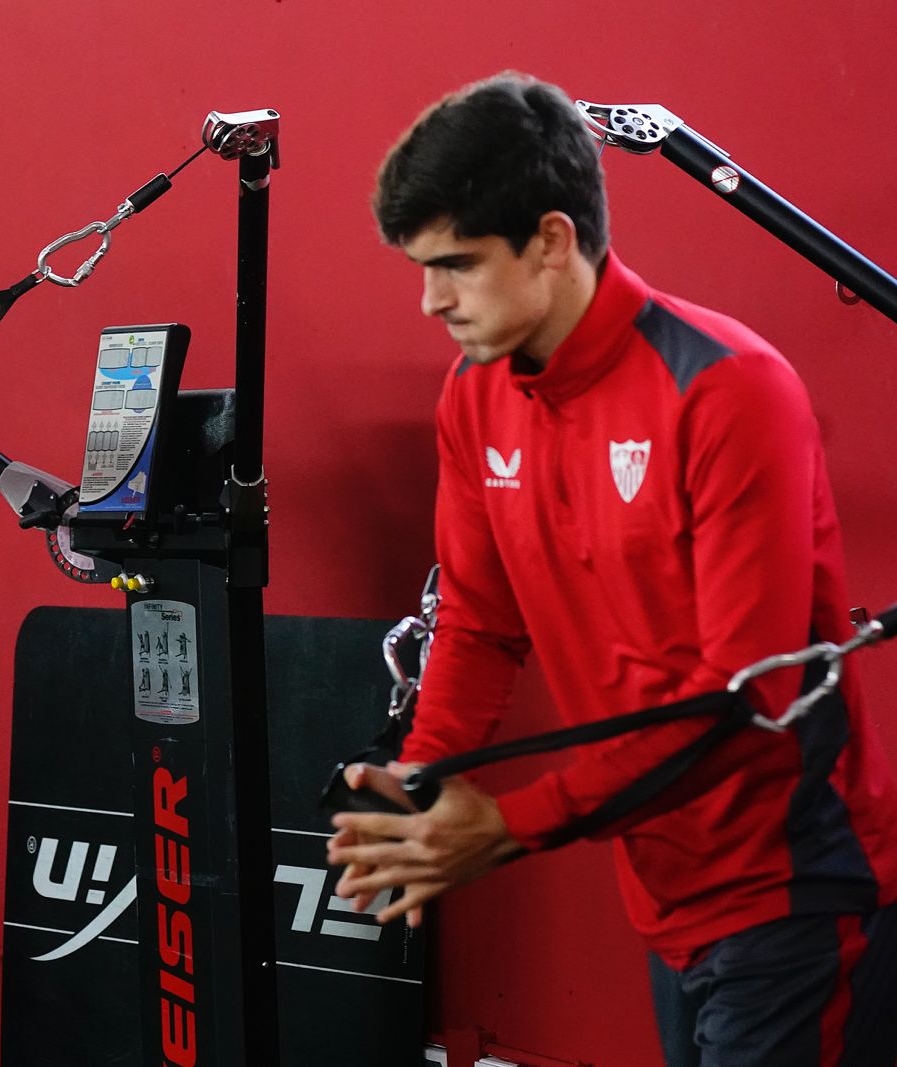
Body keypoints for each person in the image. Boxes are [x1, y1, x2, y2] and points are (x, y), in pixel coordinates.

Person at [326, 74, 897, 1065]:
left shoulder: (726, 389)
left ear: (550, 240)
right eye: (421, 269)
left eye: (456, 264)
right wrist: (424, 773)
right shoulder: (473, 395)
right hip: (661, 883)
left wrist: (508, 824)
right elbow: (476, 618)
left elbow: (742, 695)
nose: (431, 301)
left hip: (790, 880)